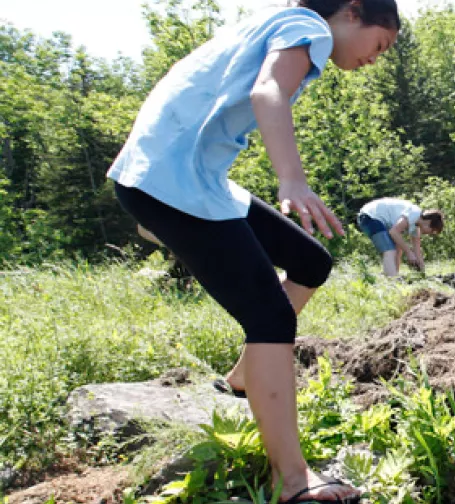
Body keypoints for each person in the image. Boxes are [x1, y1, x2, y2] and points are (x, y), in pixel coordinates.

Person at [106, 0, 400, 501]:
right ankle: (292, 482)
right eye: (381, 44)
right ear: (352, 12)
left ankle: (245, 375)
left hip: (189, 176)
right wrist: (292, 180)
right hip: (170, 181)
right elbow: (269, 92)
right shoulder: (310, 27)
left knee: (311, 261)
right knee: (269, 316)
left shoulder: (274, 23)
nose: (377, 58)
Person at [356, 197, 444, 276]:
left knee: (398, 248)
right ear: (428, 223)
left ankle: (393, 274)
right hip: (369, 216)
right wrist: (409, 253)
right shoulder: (414, 214)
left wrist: (422, 273)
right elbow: (393, 232)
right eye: (432, 231)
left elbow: (417, 250)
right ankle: (391, 280)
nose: (430, 234)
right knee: (389, 250)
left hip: (378, 220)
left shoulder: (416, 226)